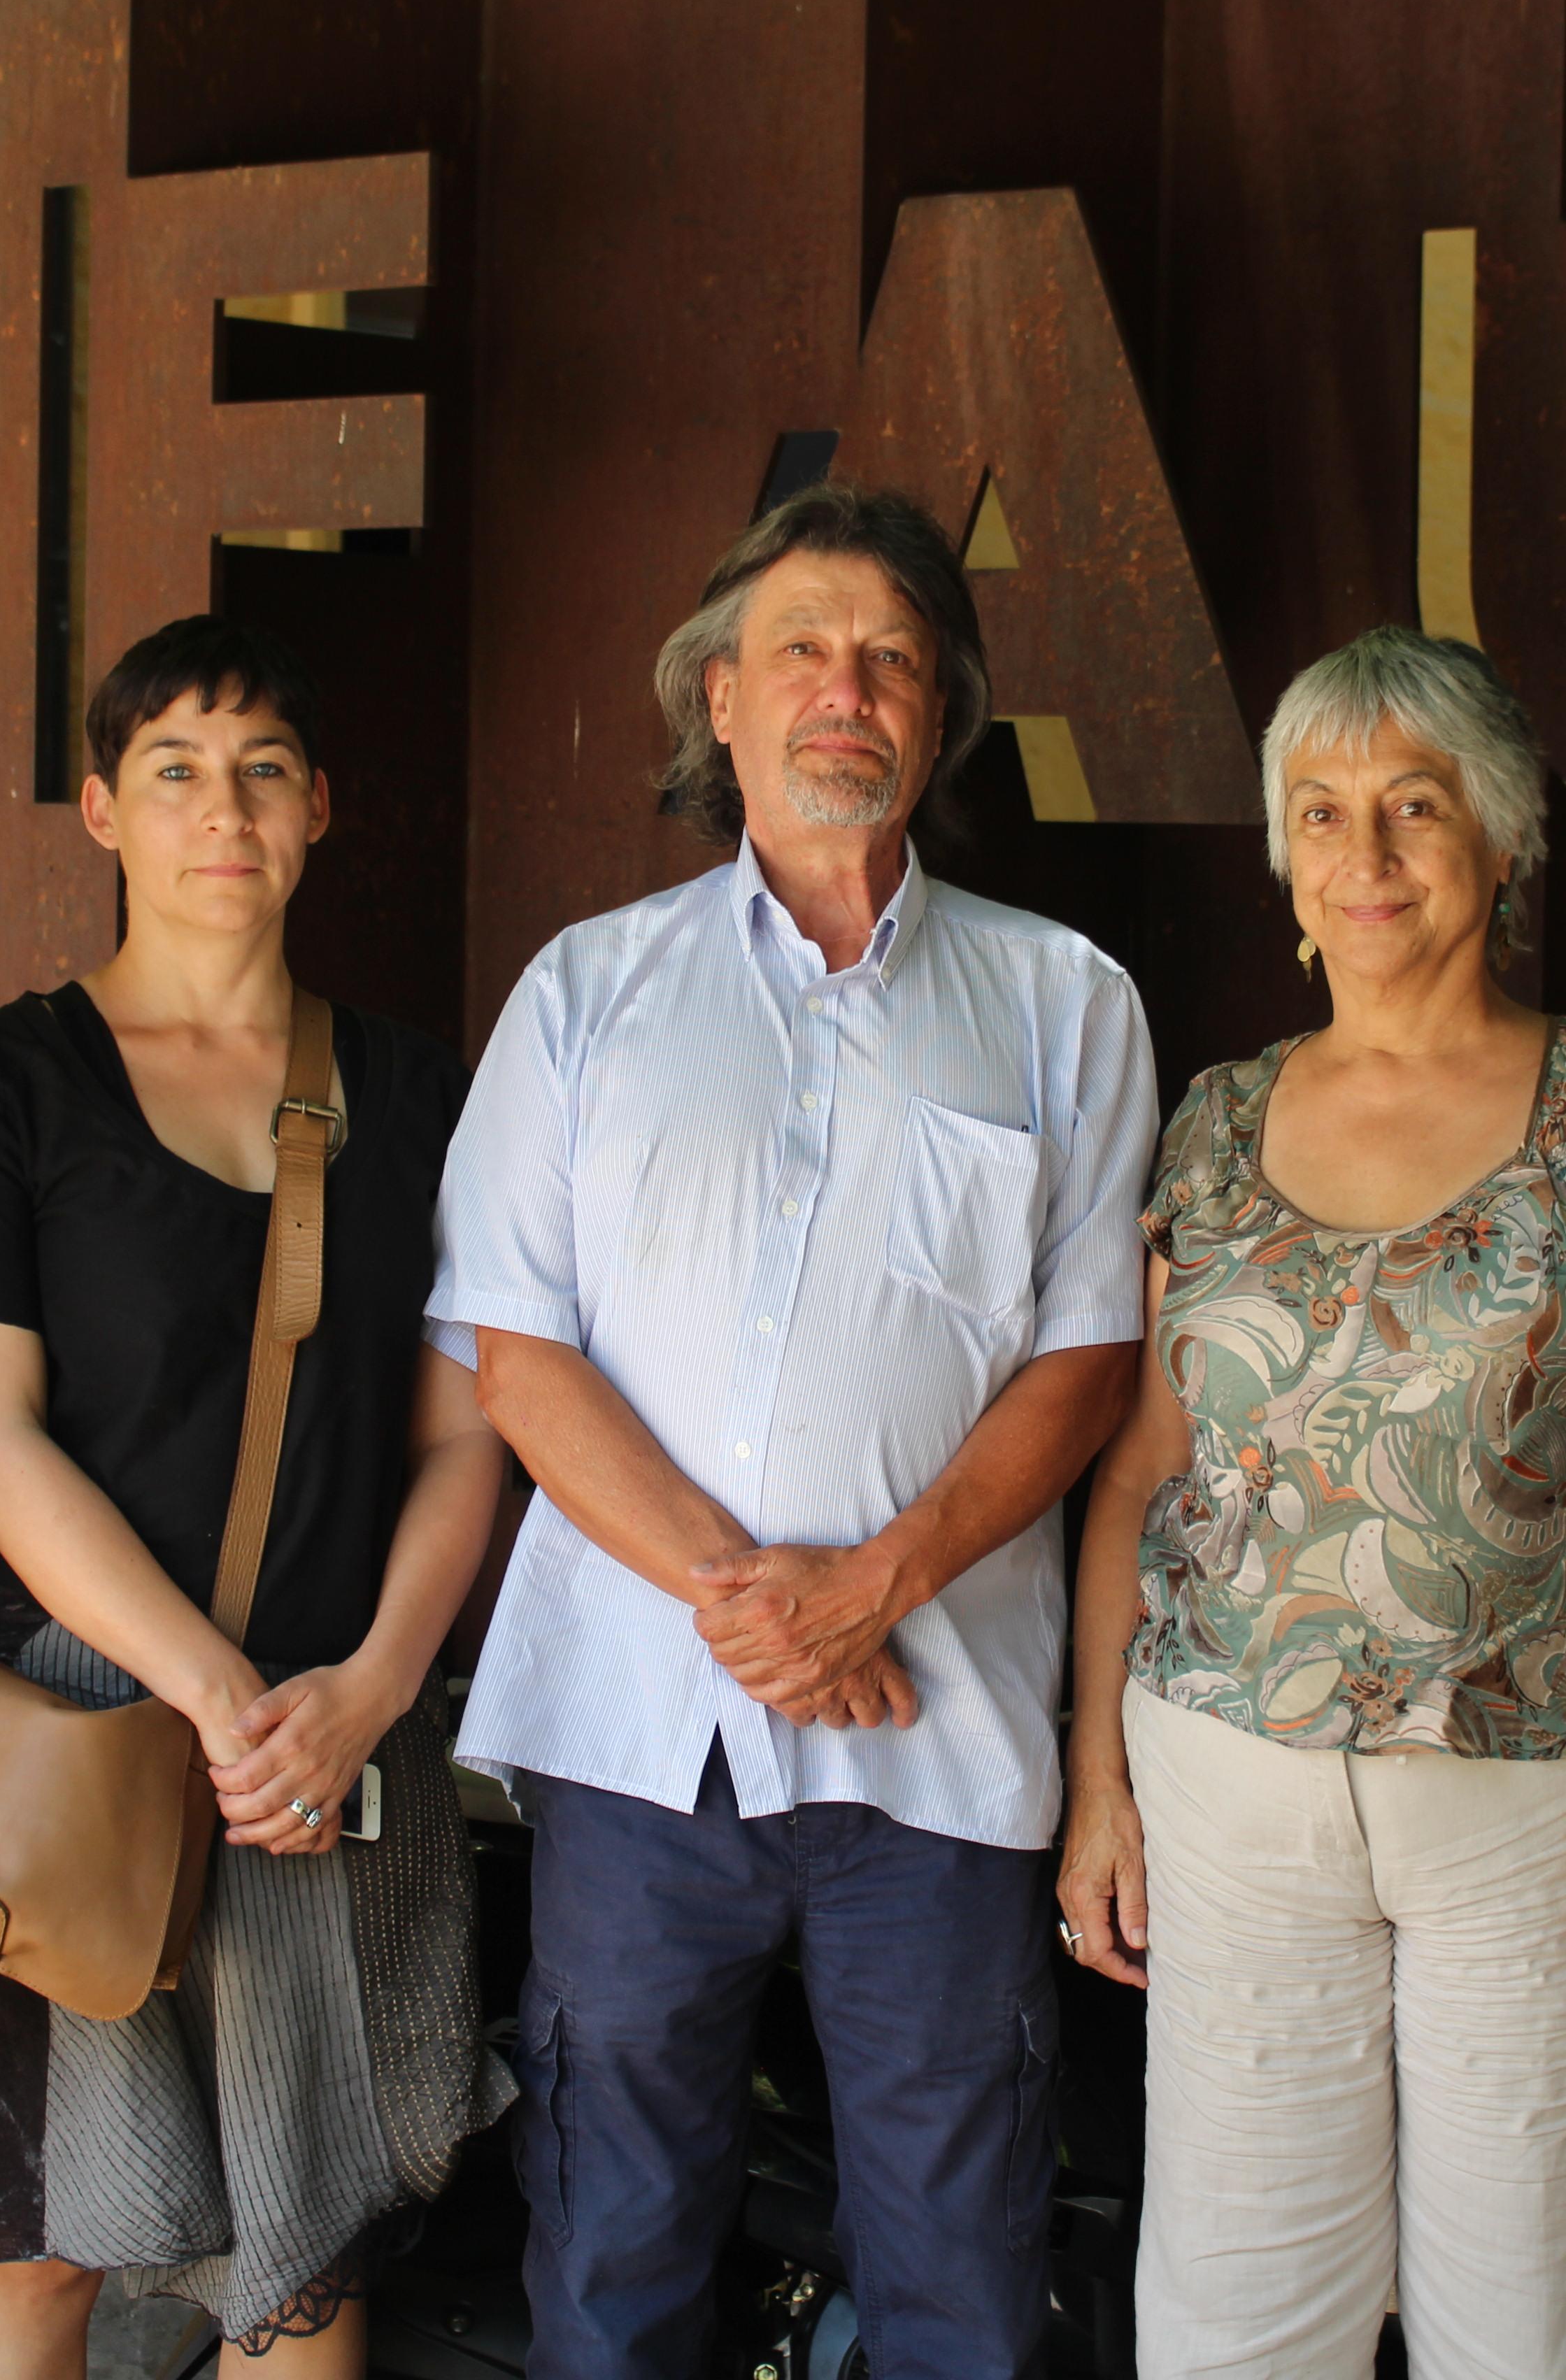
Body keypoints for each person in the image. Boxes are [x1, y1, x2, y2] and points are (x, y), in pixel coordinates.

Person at [428, 482, 1156, 2380]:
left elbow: (1085, 1367)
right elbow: (519, 1352)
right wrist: (756, 1604)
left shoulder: (1067, 1004)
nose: (851, 688)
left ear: (940, 721)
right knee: (613, 2249)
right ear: (723, 703)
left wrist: (873, 1591)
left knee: (962, 2266)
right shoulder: (589, 992)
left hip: (935, 1750)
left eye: (895, 660)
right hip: (640, 1751)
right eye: (807, 652)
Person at [1055, 625, 1566, 2379]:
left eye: (1413, 808)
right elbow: (1145, 1466)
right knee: (1234, 2324)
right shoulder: (1216, 1123)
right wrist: (1096, 1779)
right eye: (1321, 813)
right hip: (1228, 1791)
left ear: (1504, 841)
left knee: (1518, 2334)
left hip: (1548, 1813)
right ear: (1285, 863)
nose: (1364, 857)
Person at [0, 615, 513, 2372]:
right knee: (33, 2251)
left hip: (332, 1730)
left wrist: (368, 1692)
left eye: (260, 773)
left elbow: (466, 1434)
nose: (218, 811)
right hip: (69, 1724)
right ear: (101, 811)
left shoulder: (415, 1093)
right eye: (172, 770)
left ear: (319, 811)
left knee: (301, 2254)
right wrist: (220, 1697)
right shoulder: (8, 1085)